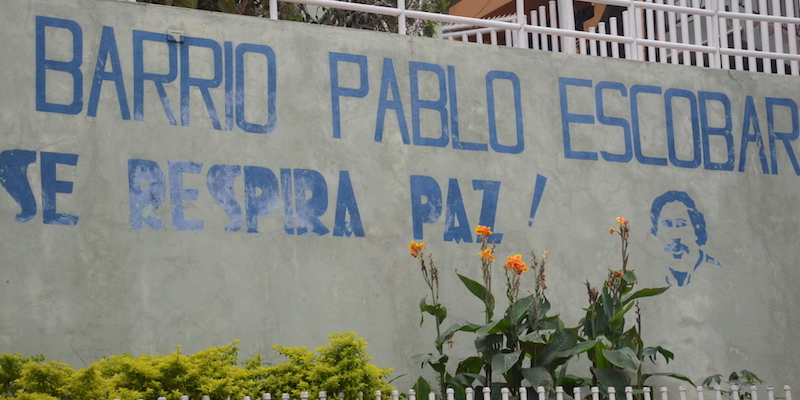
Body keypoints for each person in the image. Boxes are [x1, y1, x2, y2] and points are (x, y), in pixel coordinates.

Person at [649, 191, 721, 286]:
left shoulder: (716, 272)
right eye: (667, 225)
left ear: (697, 227)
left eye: (682, 224)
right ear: (657, 231)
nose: (675, 236)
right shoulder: (651, 273)